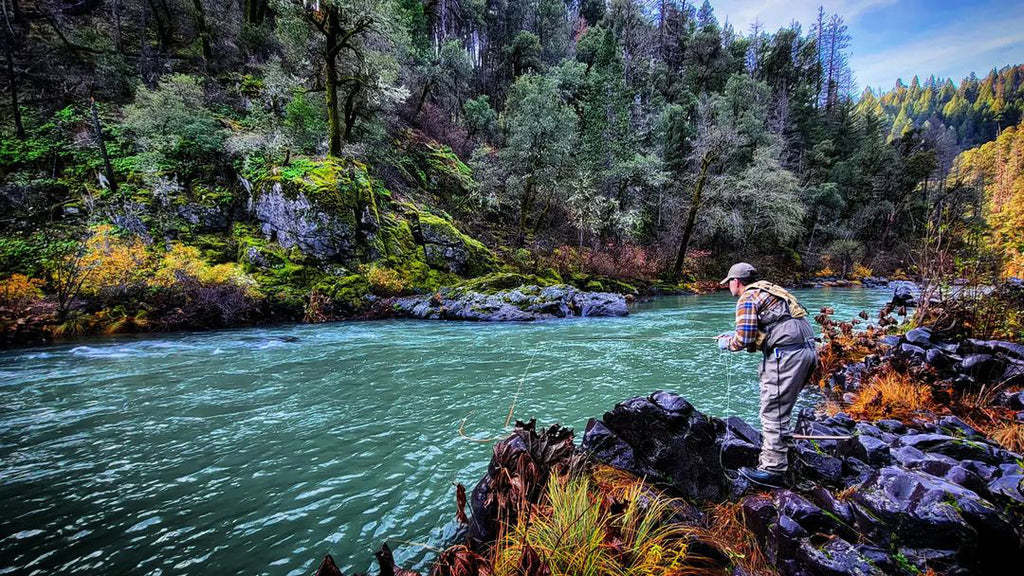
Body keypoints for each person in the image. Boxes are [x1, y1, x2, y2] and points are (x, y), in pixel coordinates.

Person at [716, 262, 818, 487]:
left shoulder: (747, 298)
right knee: (781, 407)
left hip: (787, 355)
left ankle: (773, 469)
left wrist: (728, 343)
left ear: (736, 281)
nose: (728, 287)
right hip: (807, 351)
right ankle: (784, 452)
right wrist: (734, 335)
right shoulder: (769, 290)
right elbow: (765, 328)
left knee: (773, 410)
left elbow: (743, 340)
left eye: (729, 283)